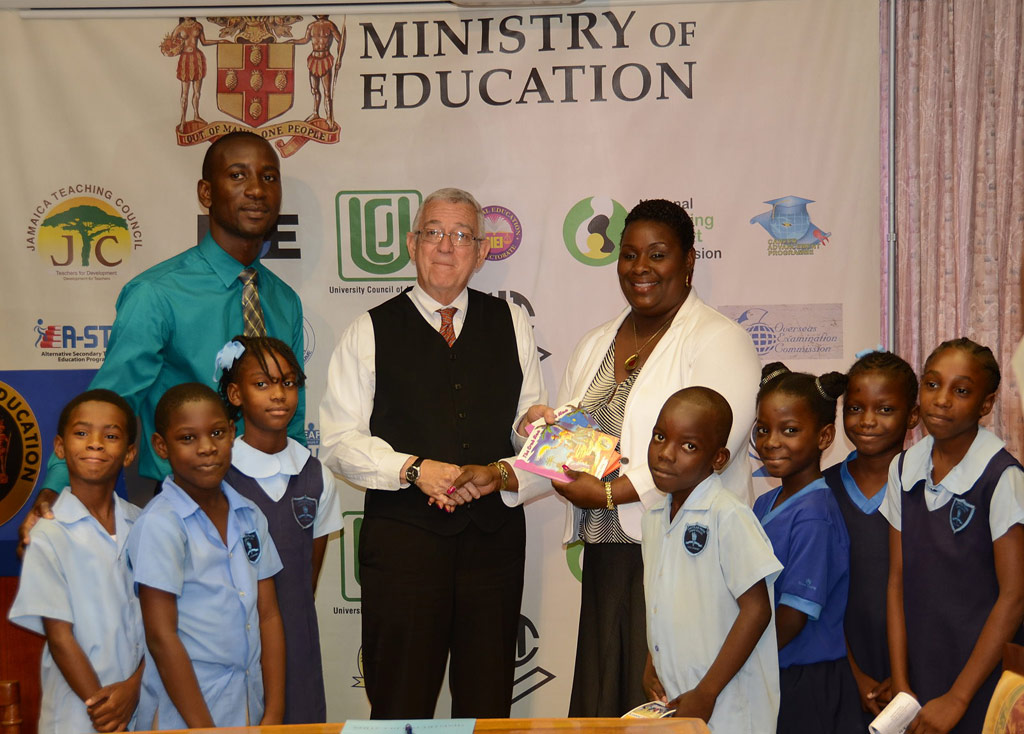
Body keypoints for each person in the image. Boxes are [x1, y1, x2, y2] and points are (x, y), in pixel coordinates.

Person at [517, 198, 761, 716]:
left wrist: (608, 493)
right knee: (605, 701)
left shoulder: (722, 341)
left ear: (688, 261)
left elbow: (707, 452)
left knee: (666, 701)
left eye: (657, 254)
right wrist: (512, 463)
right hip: (609, 554)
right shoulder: (595, 343)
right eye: (629, 255)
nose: (640, 268)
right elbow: (572, 449)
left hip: (682, 552)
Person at [318, 187, 545, 718]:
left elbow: (529, 435)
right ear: (411, 243)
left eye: (462, 235)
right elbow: (337, 439)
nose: (446, 246)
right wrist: (413, 468)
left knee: (487, 704)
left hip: (493, 547)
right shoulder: (368, 330)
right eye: (434, 233)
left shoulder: (511, 322)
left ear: (482, 251)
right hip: (405, 549)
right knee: (400, 702)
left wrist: (507, 461)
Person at [21, 130, 304, 551]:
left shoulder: (284, 300)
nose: (256, 190)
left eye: (268, 177)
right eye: (237, 175)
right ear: (206, 193)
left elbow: (292, 417)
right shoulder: (157, 293)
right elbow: (111, 403)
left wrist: (302, 489)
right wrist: (60, 486)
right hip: (183, 503)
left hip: (274, 500)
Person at [882, 338, 1024, 734]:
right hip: (920, 676)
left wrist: (959, 697)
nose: (941, 400)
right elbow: (896, 580)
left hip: (983, 679)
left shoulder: (1002, 478)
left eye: (960, 391)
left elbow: (1014, 597)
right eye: (932, 384)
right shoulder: (903, 468)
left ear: (986, 404)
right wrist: (901, 682)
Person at [126, 383, 285, 729]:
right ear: (161, 446)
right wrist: (205, 728)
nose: (207, 448)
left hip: (248, 706)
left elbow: (269, 615)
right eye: (188, 438)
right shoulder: (161, 524)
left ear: (232, 433)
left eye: (216, 433)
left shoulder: (250, 515)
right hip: (185, 718)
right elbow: (161, 637)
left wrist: (273, 712)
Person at [641, 387, 782, 733]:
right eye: (660, 437)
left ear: (718, 459)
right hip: (680, 699)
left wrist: (707, 692)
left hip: (729, 705)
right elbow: (662, 599)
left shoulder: (728, 515)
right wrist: (652, 660)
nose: (666, 454)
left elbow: (757, 610)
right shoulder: (654, 517)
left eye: (688, 446)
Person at [216, 335, 342, 724]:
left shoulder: (316, 476)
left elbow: (308, 578)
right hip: (230, 649)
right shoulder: (216, 477)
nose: (278, 394)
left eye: (288, 382)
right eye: (262, 383)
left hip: (297, 646)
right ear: (235, 394)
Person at [8, 390, 144, 734]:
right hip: (79, 716)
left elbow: (163, 622)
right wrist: (105, 712)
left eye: (110, 436)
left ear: (129, 453)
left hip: (141, 705)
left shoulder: (145, 523)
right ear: (59, 447)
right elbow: (60, 638)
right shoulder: (48, 533)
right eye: (82, 433)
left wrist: (135, 688)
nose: (95, 443)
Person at [752, 363, 861, 734]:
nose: (771, 441)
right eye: (763, 429)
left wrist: (739, 663)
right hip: (772, 669)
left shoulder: (815, 515)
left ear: (825, 436)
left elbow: (793, 616)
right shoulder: (764, 504)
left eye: (790, 430)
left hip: (804, 678)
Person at [822, 351, 919, 726]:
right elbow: (816, 599)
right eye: (855, 408)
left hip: (918, 675)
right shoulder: (821, 491)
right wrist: (855, 677)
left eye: (885, 409)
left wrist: (905, 677)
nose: (867, 420)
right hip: (841, 672)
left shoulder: (927, 489)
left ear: (912, 416)